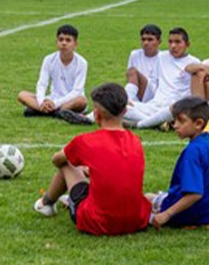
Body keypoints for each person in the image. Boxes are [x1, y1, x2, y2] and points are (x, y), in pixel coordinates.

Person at [33, 83, 151, 236]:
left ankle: (46, 203)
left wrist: (80, 165)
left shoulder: (86, 141)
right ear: (125, 111)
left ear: (96, 114)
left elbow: (56, 160)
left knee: (67, 162)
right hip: (137, 220)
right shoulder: (136, 141)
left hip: (98, 222)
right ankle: (60, 201)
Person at [145, 97, 209, 229]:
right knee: (150, 197)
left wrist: (166, 214)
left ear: (198, 123)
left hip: (192, 213)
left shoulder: (193, 152)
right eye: (175, 120)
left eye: (181, 121)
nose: (175, 125)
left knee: (139, 208)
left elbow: (194, 194)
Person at [128, 28, 201, 129]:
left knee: (173, 110)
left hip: (175, 107)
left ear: (187, 44)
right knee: (123, 108)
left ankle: (140, 124)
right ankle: (156, 122)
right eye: (170, 42)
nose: (173, 46)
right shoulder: (162, 57)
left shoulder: (194, 62)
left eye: (177, 42)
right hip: (156, 104)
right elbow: (153, 81)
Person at [17, 24, 90, 125]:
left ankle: (43, 111)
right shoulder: (49, 59)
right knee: (22, 95)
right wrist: (42, 101)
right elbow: (42, 84)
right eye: (61, 39)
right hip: (52, 98)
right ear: (56, 41)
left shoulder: (81, 63)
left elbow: (76, 91)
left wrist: (55, 104)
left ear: (75, 44)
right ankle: (53, 112)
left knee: (82, 101)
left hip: (69, 101)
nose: (64, 43)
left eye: (68, 40)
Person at [126, 24, 162, 104]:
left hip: (156, 94)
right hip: (138, 92)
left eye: (150, 40)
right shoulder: (135, 55)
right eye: (143, 39)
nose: (145, 43)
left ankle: (127, 100)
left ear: (159, 42)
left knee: (132, 71)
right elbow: (130, 79)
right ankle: (129, 100)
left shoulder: (164, 57)